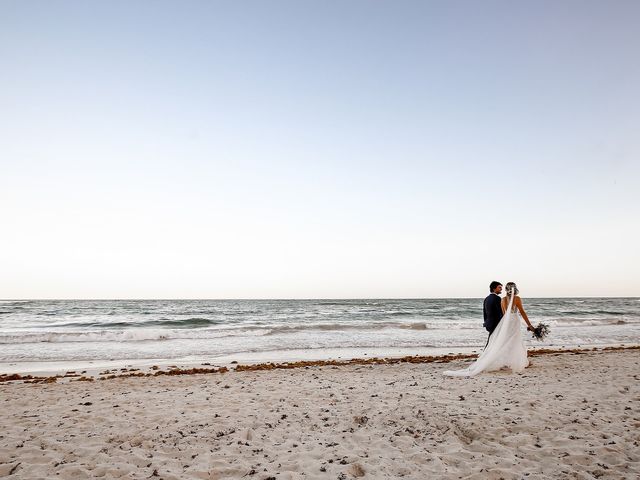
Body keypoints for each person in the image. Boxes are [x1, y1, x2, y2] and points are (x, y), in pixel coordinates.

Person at [443, 281, 534, 377]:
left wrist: (490, 323)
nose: (501, 289)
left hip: (504, 323)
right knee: (515, 341)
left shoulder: (501, 300)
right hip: (514, 321)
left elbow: (503, 314)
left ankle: (498, 360)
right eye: (499, 287)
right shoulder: (517, 299)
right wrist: (529, 324)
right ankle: (517, 361)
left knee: (502, 342)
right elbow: (522, 312)